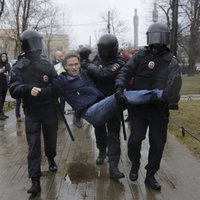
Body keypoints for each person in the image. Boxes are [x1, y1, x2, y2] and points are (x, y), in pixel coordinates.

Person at [115, 22, 182, 190]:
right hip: (138, 108)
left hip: (158, 109)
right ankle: (135, 163)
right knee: (134, 140)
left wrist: (168, 95)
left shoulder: (171, 61)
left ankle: (150, 174)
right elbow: (125, 71)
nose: (157, 42)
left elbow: (173, 85)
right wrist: (119, 87)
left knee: (157, 143)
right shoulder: (140, 56)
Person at [9, 30, 59, 195]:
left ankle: (51, 157)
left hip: (50, 108)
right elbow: (14, 88)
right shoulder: (19, 66)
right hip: (32, 111)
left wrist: (55, 88)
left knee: (51, 139)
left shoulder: (47, 63)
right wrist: (28, 89)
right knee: (33, 146)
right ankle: (35, 180)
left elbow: (57, 81)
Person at [86, 34, 126, 180]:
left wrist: (88, 66)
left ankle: (114, 165)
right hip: (98, 100)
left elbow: (103, 74)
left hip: (113, 101)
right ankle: (102, 151)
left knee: (114, 133)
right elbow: (91, 73)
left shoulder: (119, 61)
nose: (105, 53)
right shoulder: (97, 59)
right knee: (99, 129)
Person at [0, 52, 11, 120]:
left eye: (5, 56)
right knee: (0, 100)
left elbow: (8, 69)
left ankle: (2, 113)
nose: (4, 58)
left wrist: (3, 69)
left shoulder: (7, 64)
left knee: (3, 99)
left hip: (5, 85)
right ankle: (0, 114)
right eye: (2, 56)